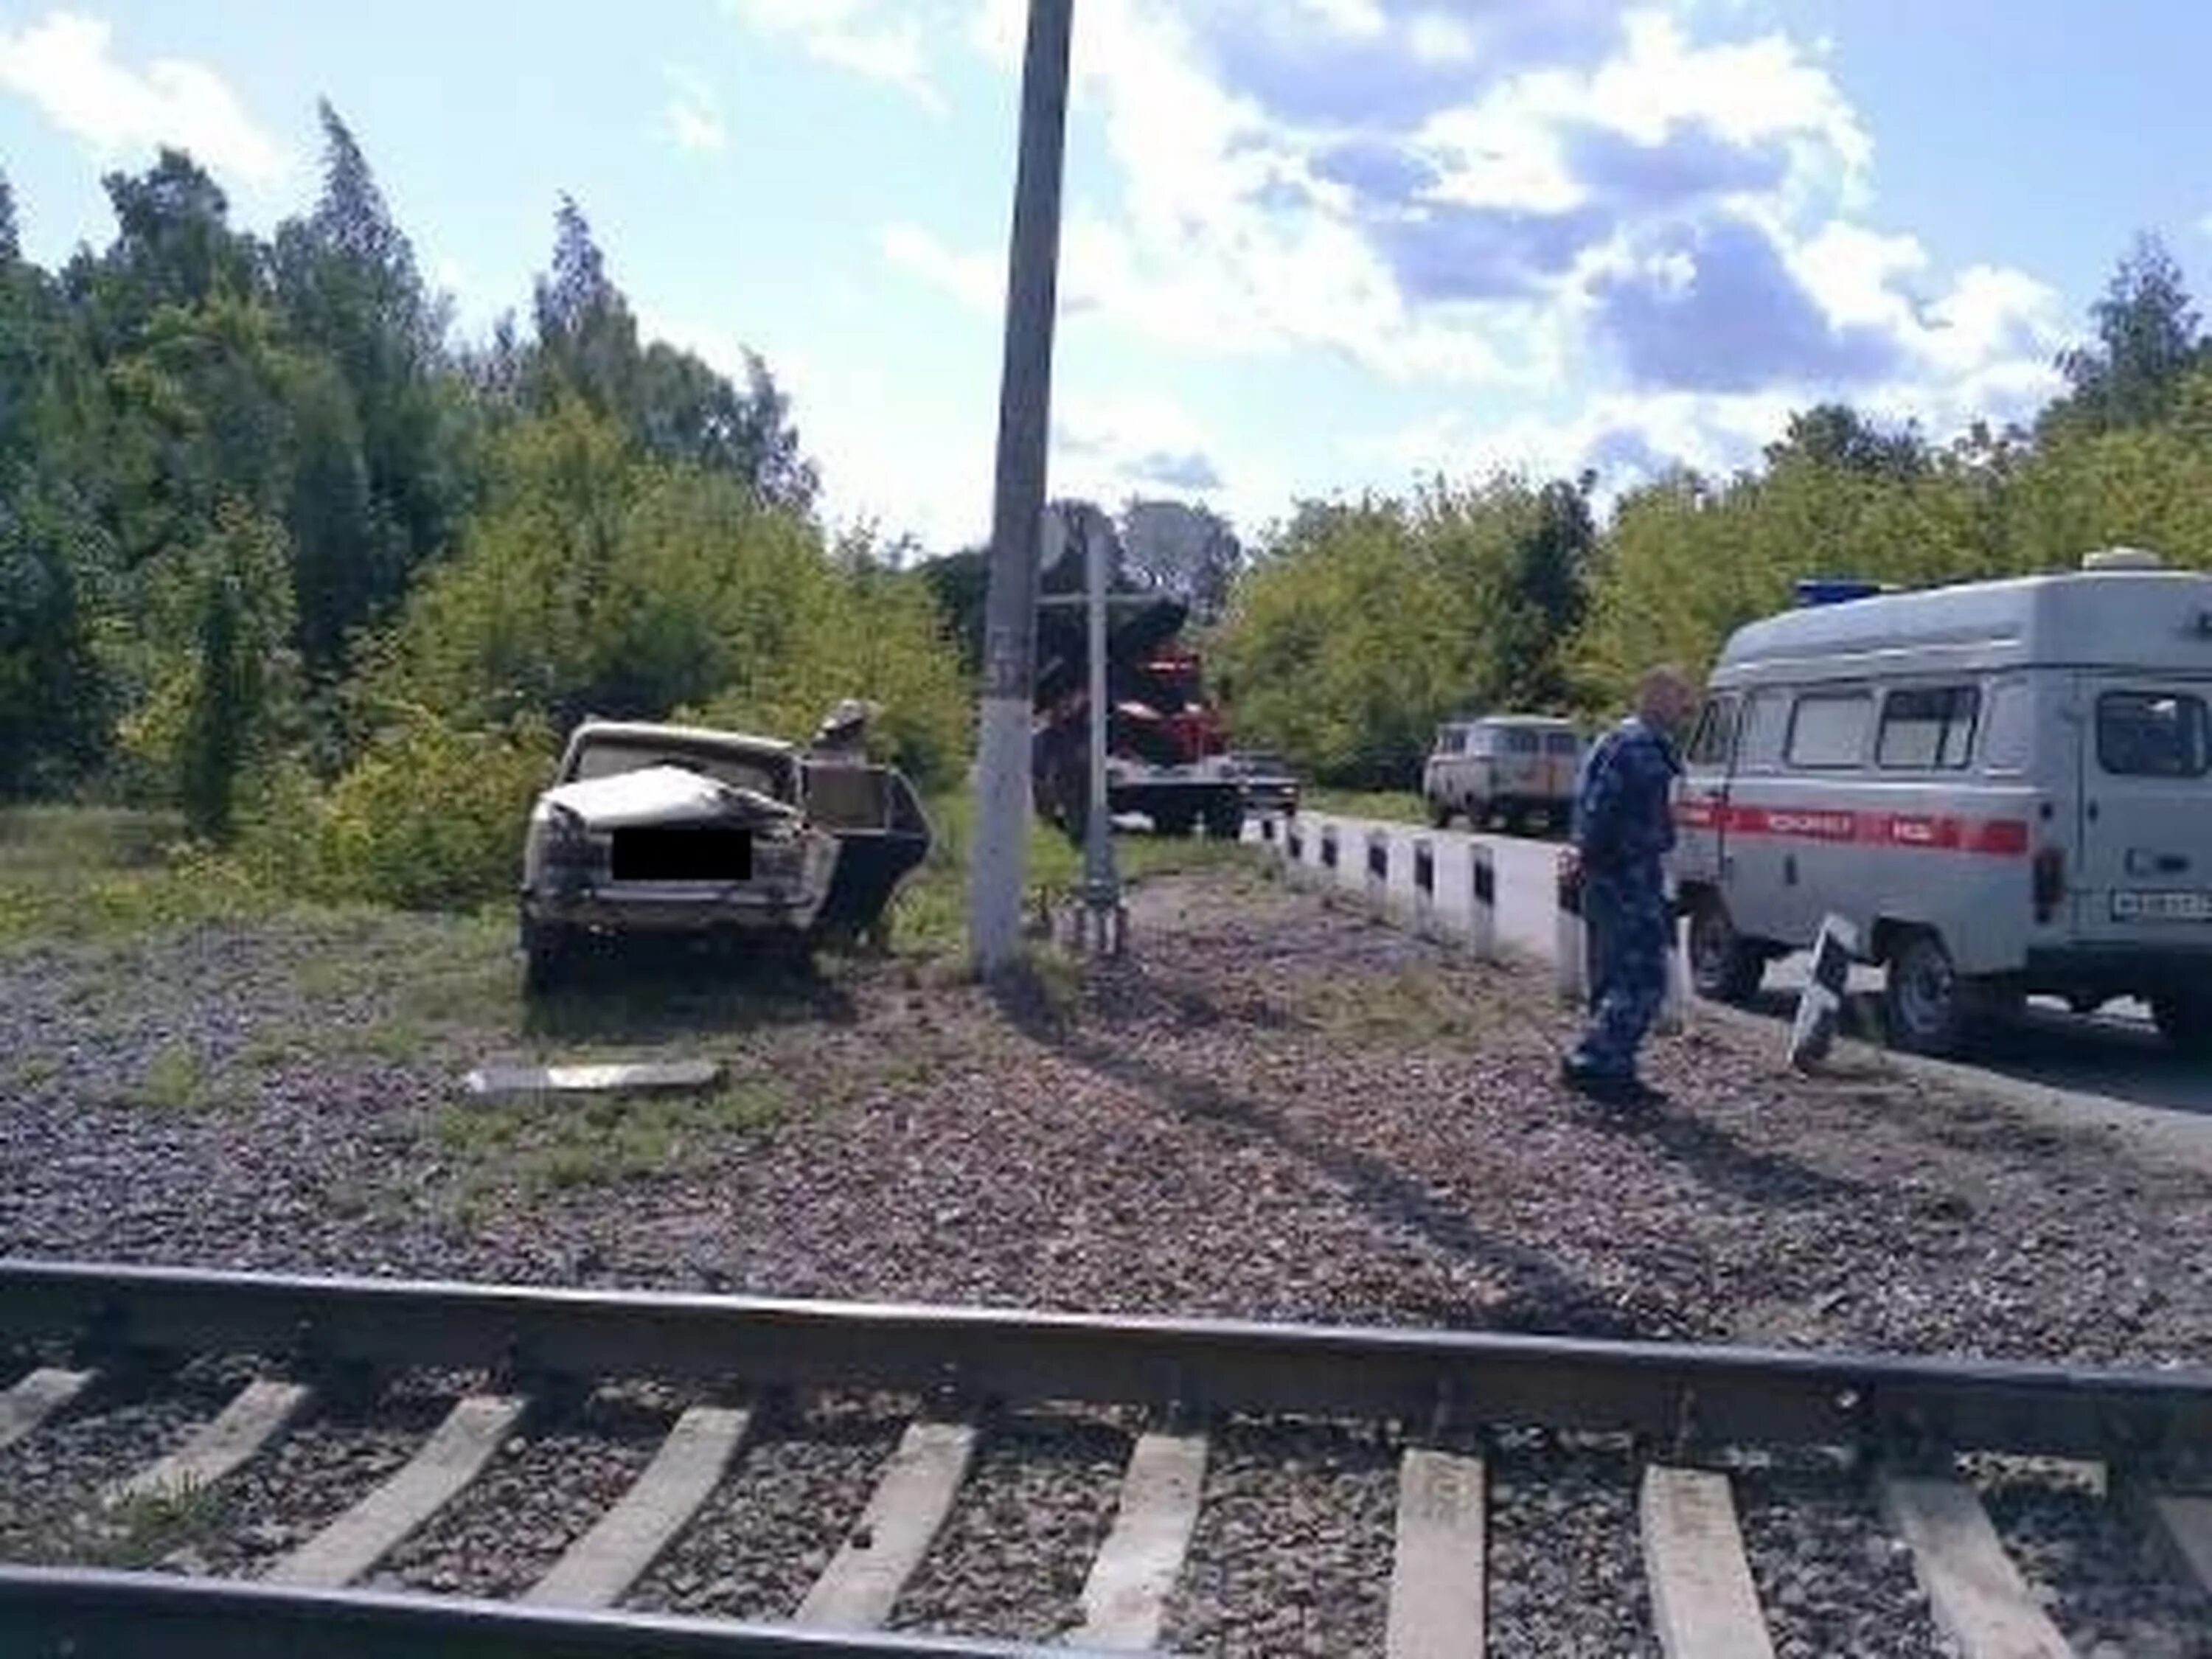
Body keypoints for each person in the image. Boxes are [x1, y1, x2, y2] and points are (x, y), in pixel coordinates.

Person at [1560, 664, 1697, 1107]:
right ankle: (1596, 1062)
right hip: (1625, 873)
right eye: (1680, 698)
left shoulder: (1619, 740)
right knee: (1641, 974)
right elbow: (1603, 808)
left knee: (1616, 972)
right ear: (1656, 698)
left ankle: (1612, 1067)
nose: (1687, 708)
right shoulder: (1637, 746)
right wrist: (1592, 856)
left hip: (1618, 871)